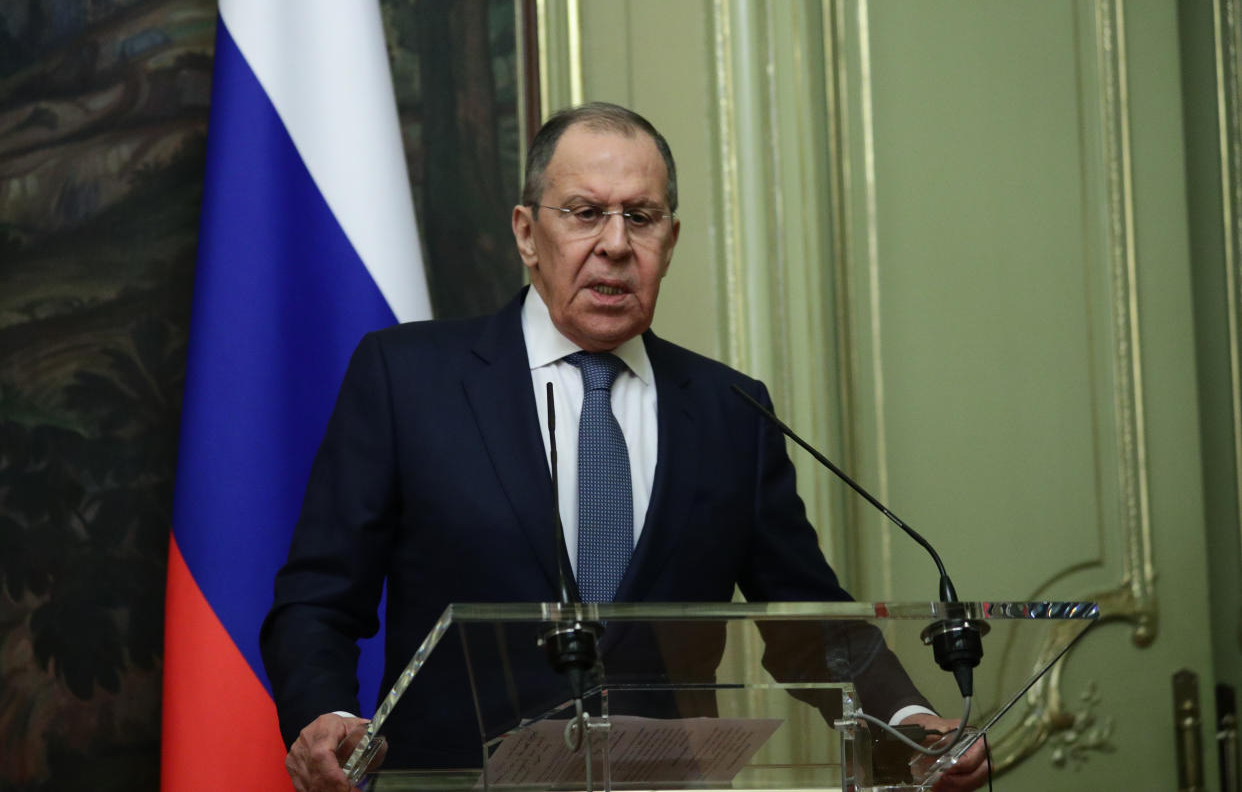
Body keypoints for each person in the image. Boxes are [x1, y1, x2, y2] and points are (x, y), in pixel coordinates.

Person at [260, 102, 988, 792]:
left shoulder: (729, 410)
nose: (614, 243)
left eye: (640, 218)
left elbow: (807, 622)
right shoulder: (407, 379)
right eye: (583, 213)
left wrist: (910, 719)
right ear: (525, 233)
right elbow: (318, 600)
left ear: (668, 243)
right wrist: (326, 715)